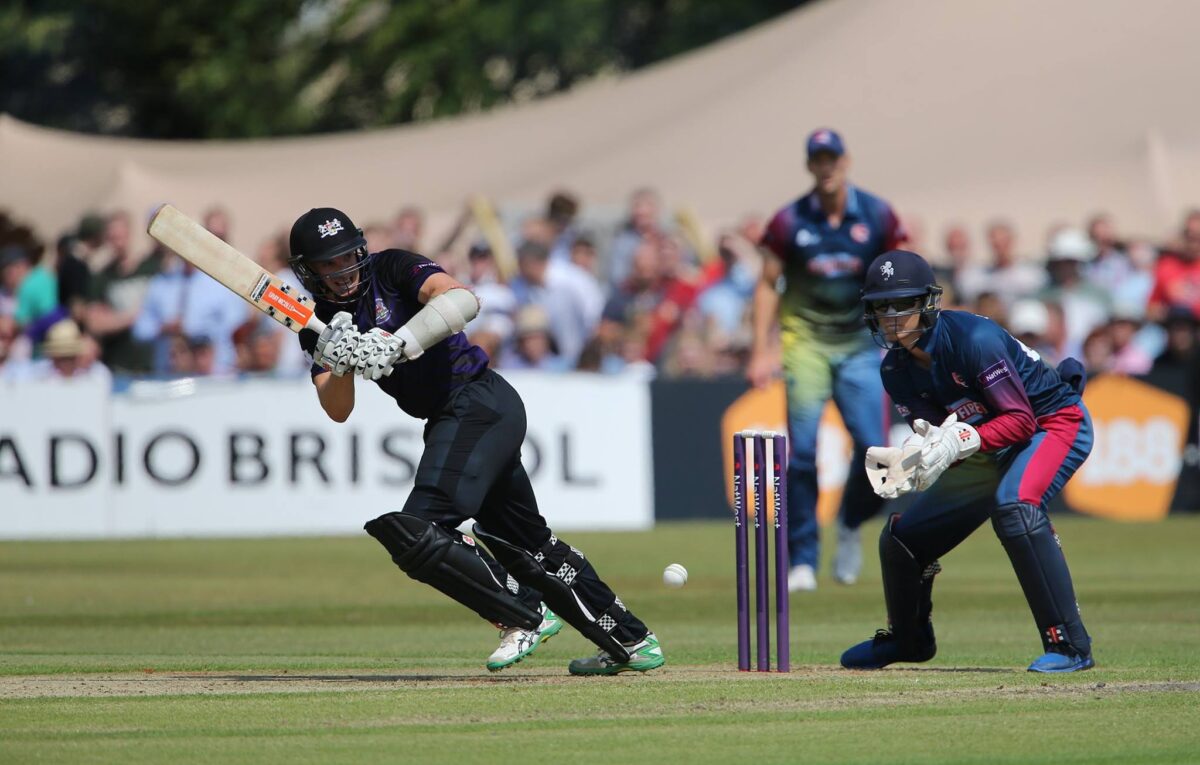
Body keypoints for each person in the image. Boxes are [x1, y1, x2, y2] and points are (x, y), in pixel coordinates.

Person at [288, 206, 664, 675]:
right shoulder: (318, 321)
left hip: (479, 401)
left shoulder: (392, 267)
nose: (341, 272)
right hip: (454, 417)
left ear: (361, 250)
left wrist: (395, 343)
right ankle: (631, 641)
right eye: (327, 264)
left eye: (346, 257)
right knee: (529, 546)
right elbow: (337, 408)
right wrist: (340, 359)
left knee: (417, 531)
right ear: (309, 271)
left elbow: (462, 300)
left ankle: (523, 612)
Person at [845, 249, 1095, 673]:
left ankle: (1070, 645)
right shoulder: (894, 371)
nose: (891, 316)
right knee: (903, 538)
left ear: (928, 303)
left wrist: (961, 440)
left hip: (1053, 424)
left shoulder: (972, 340)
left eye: (902, 304)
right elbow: (943, 438)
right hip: (989, 442)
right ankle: (909, 640)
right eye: (880, 306)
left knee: (1015, 507)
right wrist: (918, 460)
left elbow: (1019, 421)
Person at [750, 128, 907, 591]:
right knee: (800, 453)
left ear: (846, 160)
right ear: (809, 165)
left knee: (877, 451)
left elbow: (901, 274)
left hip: (862, 342)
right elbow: (767, 283)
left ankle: (849, 524)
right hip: (806, 342)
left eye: (832, 158)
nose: (827, 166)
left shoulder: (877, 214)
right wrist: (762, 347)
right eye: (818, 159)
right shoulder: (788, 221)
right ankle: (803, 558)